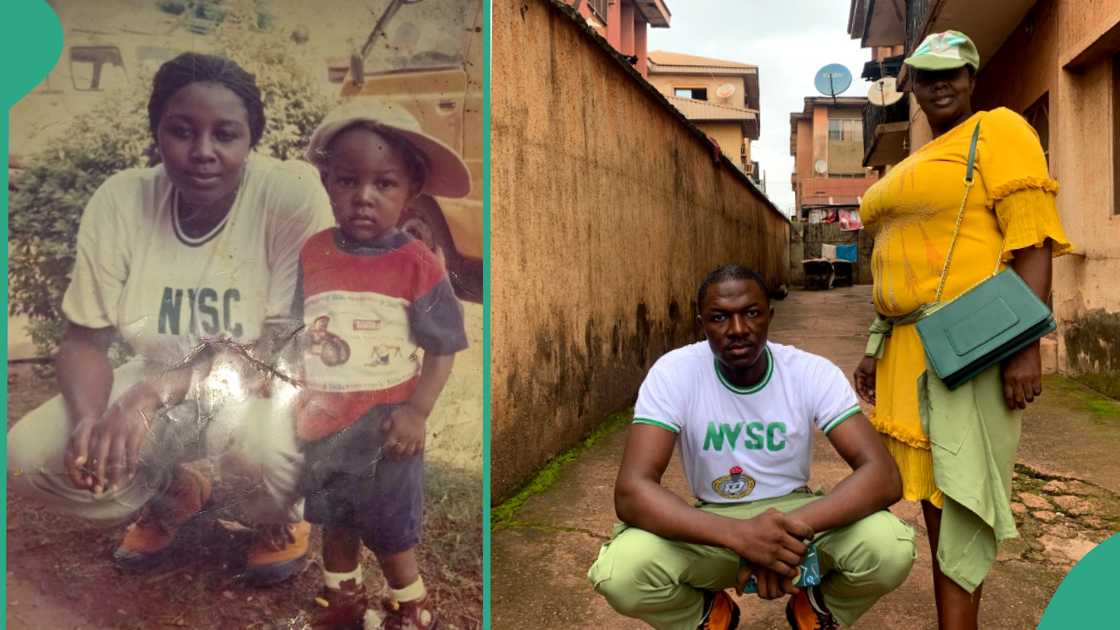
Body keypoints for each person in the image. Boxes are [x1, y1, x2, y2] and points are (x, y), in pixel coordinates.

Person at [7, 52, 334, 585]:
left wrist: (146, 396)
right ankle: (173, 494)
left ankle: (274, 520)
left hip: (259, 385)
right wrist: (91, 421)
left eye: (225, 134)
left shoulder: (287, 195)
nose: (203, 152)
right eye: (182, 131)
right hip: (161, 376)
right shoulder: (121, 201)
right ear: (156, 133)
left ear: (252, 139)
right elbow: (84, 339)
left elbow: (281, 346)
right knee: (28, 454)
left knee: (262, 447)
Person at [853, 31, 1072, 630]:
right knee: (931, 497)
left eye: (955, 72)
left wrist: (1025, 348)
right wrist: (876, 346)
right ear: (911, 87)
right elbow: (897, 263)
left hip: (971, 350)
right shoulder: (919, 157)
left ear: (973, 78)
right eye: (927, 74)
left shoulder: (999, 130)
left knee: (962, 498)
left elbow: (1032, 243)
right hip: (904, 348)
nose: (941, 83)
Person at [588, 265, 916, 630]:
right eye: (720, 318)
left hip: (799, 523)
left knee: (889, 547)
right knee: (621, 572)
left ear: (769, 316)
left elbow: (883, 476)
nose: (738, 329)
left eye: (752, 313)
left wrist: (780, 535)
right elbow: (632, 491)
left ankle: (817, 609)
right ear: (702, 324)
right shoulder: (674, 373)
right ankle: (709, 615)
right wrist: (741, 536)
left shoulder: (810, 372)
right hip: (716, 527)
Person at [297, 101, 471, 629]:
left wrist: (418, 411)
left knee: (391, 528)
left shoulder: (416, 262)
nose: (364, 197)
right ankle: (342, 600)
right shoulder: (313, 253)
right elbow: (295, 329)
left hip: (388, 428)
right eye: (347, 181)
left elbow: (444, 345)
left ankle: (409, 605)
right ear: (327, 182)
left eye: (384, 185)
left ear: (411, 191)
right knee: (335, 520)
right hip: (323, 421)